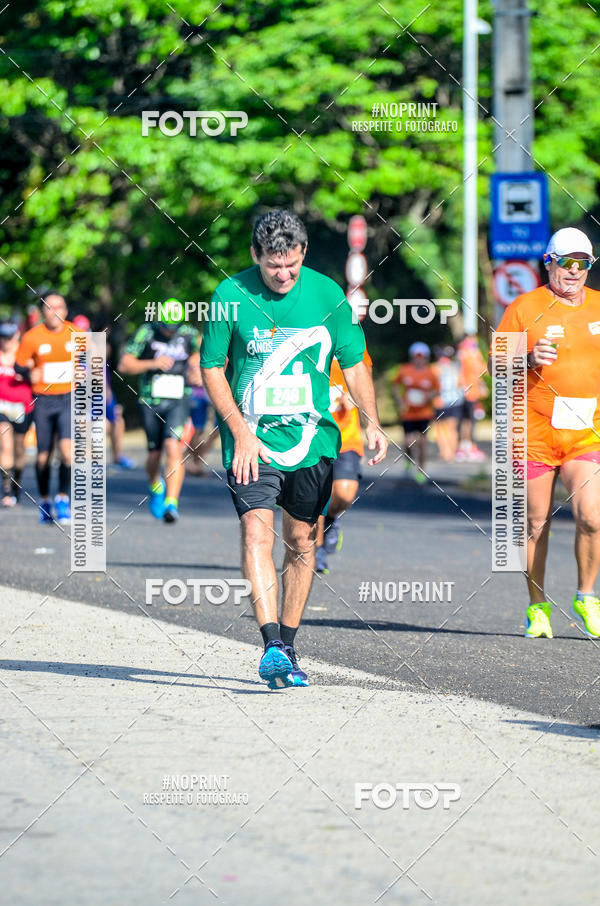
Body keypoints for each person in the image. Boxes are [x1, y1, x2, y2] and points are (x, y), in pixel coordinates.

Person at [201, 209, 387, 689]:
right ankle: (270, 646)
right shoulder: (229, 295)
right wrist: (239, 430)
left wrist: (371, 422)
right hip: (252, 443)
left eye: (291, 265)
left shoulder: (327, 294)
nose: (283, 275)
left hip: (314, 441)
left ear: (302, 253)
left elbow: (355, 363)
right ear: (254, 256)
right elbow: (212, 368)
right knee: (256, 537)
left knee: (303, 542)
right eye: (272, 266)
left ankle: (288, 640)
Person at [492, 227, 600, 639]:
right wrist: (528, 357)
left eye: (583, 263)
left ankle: (586, 595)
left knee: (591, 515)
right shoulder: (524, 307)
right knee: (535, 523)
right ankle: (537, 605)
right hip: (533, 435)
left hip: (586, 434)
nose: (574, 271)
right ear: (549, 263)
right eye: (567, 262)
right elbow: (497, 364)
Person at [119, 303, 201, 523]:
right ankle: (155, 484)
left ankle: (171, 503)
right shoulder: (146, 331)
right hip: (151, 400)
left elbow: (201, 355)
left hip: (179, 399)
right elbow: (125, 364)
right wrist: (152, 363)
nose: (169, 332)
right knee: (154, 454)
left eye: (174, 327)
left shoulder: (189, 334)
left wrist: (195, 367)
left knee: (173, 447)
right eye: (166, 327)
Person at [15, 292, 75, 524]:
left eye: (59, 307)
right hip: (43, 399)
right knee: (43, 457)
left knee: (67, 453)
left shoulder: (76, 333)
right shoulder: (32, 337)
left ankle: (62, 499)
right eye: (49, 308)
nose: (55, 312)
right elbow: (19, 367)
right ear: (43, 312)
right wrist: (30, 373)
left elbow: (92, 360)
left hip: (68, 397)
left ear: (66, 310)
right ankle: (45, 500)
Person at [315, 348, 372, 574]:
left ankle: (331, 518)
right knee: (316, 497)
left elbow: (364, 378)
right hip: (313, 436)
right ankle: (317, 551)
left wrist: (355, 395)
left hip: (346, 437)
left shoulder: (353, 339)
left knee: (344, 495)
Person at [72, 315, 135, 470]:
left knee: (116, 421)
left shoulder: (96, 346)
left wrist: (107, 392)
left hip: (100, 393)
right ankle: (84, 459)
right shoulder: (72, 348)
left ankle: (118, 457)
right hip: (82, 394)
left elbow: (100, 372)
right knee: (86, 424)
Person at [391, 341, 439, 483]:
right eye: (416, 356)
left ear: (426, 358)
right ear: (412, 357)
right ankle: (409, 459)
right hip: (408, 413)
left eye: (422, 356)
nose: (419, 359)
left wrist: (429, 396)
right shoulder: (404, 370)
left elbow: (437, 389)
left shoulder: (430, 373)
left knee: (423, 443)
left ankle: (421, 471)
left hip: (424, 413)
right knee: (409, 442)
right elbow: (395, 385)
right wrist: (399, 400)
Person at [0, 322, 34, 506]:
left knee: (19, 450)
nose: (5, 341)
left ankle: (16, 485)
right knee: (6, 444)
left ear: (16, 336)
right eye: (2, 337)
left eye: (8, 336)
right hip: (2, 407)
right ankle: (6, 488)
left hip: (23, 407)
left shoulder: (25, 356)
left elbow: (38, 376)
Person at [456, 335, 487, 462]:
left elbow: (480, 373)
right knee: (469, 421)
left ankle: (466, 447)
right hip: (468, 393)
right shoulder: (468, 356)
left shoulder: (465, 355)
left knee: (467, 420)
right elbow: (482, 369)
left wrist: (482, 386)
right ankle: (468, 447)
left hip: (471, 392)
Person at [433, 345, 464, 462]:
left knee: (441, 429)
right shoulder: (456, 367)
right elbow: (461, 383)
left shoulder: (436, 368)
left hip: (440, 401)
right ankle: (452, 452)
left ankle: (445, 452)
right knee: (453, 428)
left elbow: (434, 386)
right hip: (455, 401)